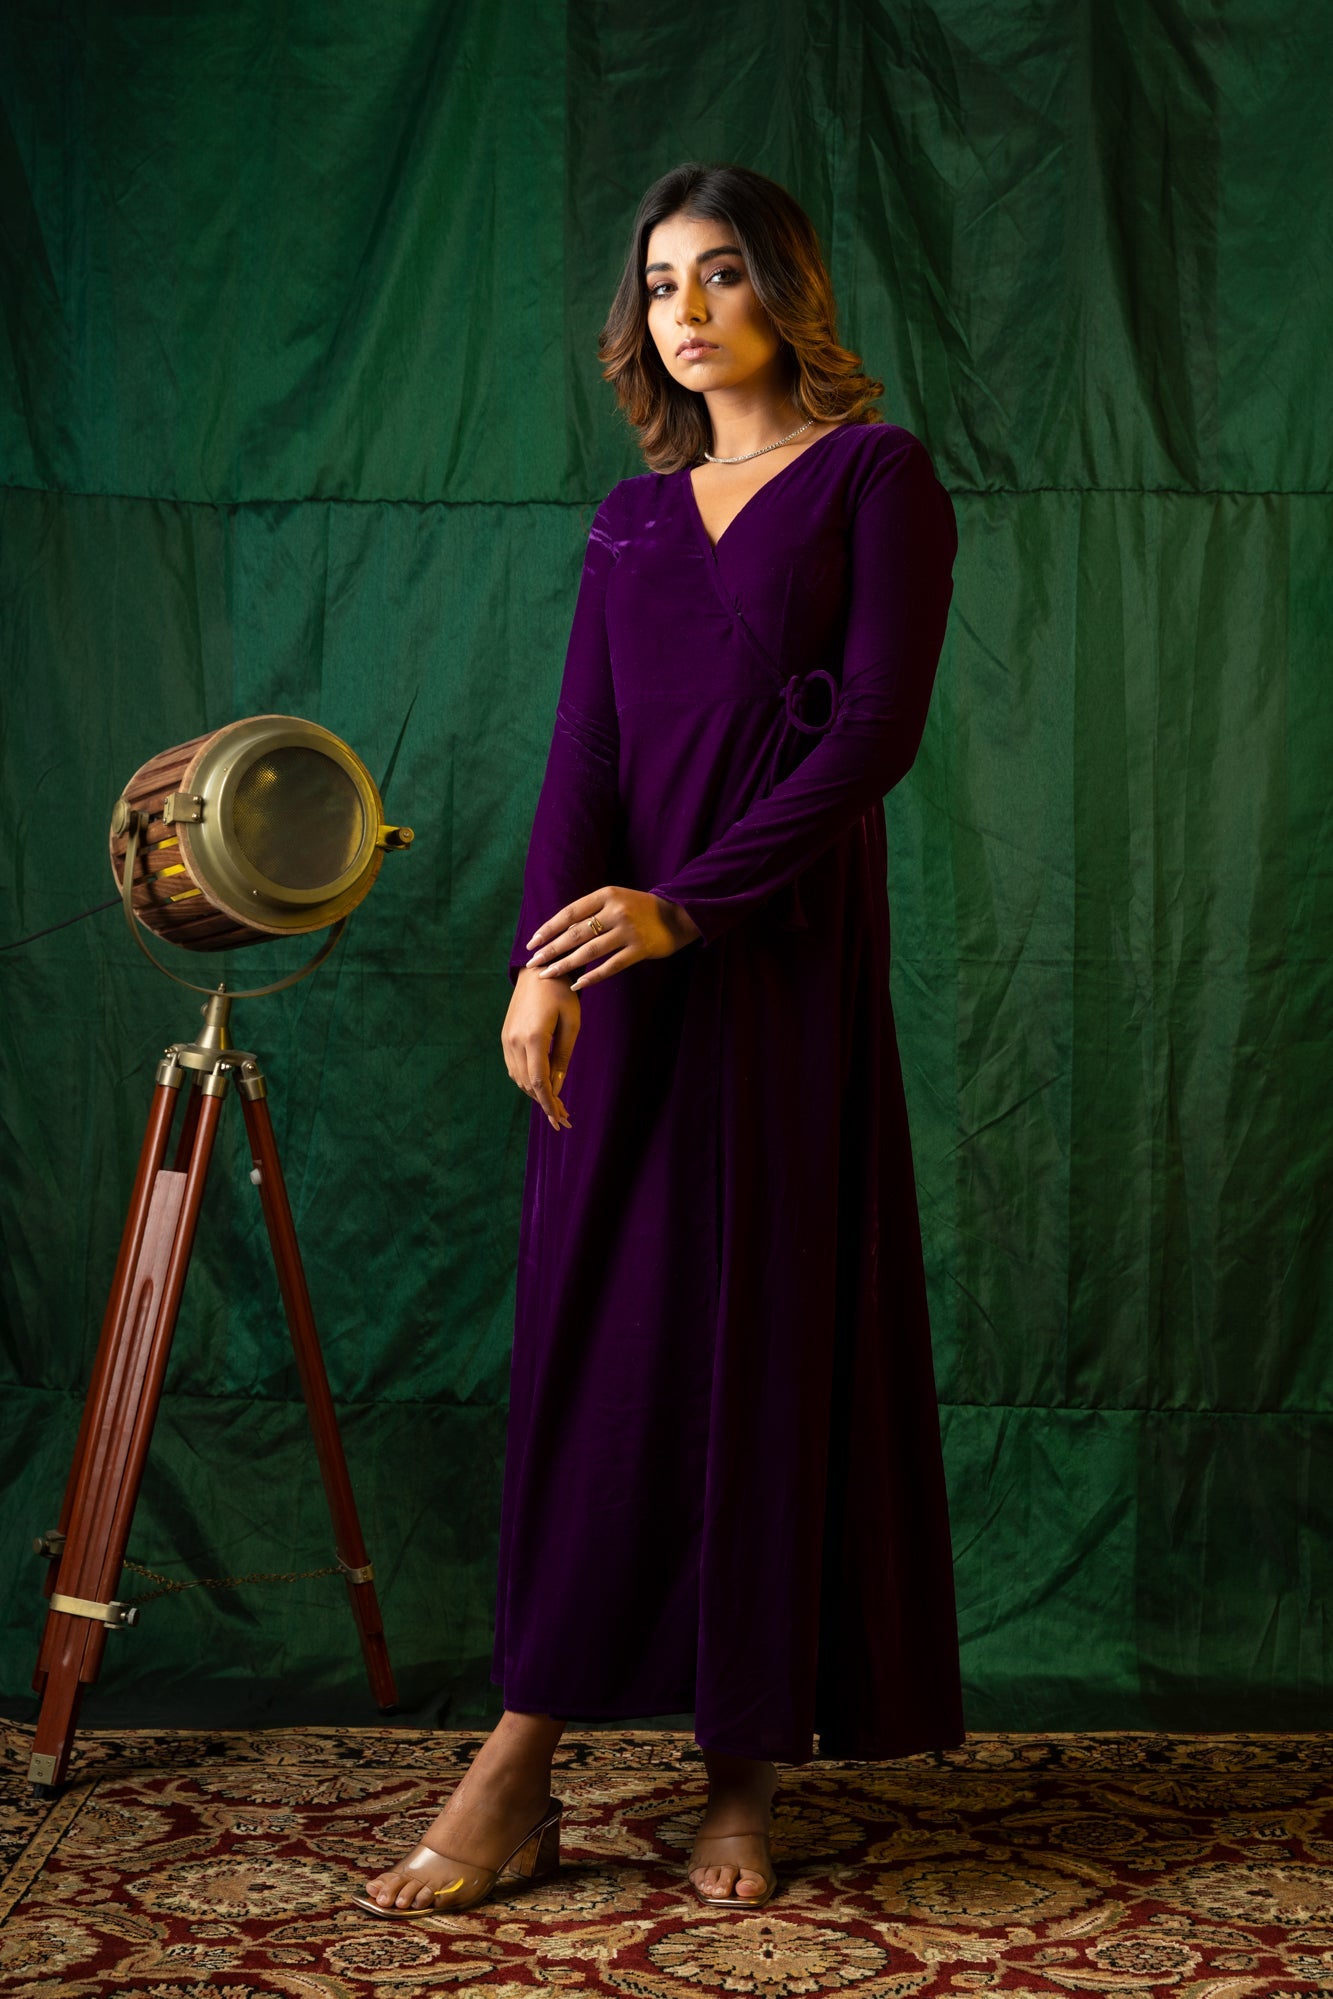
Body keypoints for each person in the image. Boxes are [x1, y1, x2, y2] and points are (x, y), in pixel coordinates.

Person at [356, 160, 964, 1920]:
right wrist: (543, 965)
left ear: (787, 289)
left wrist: (686, 909)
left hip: (774, 966)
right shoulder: (629, 522)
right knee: (602, 1354)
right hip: (619, 978)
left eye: (721, 275)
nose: (685, 311)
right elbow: (585, 757)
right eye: (659, 283)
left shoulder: (875, 477)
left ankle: (741, 1771)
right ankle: (523, 1762)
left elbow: (873, 734)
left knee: (764, 1338)